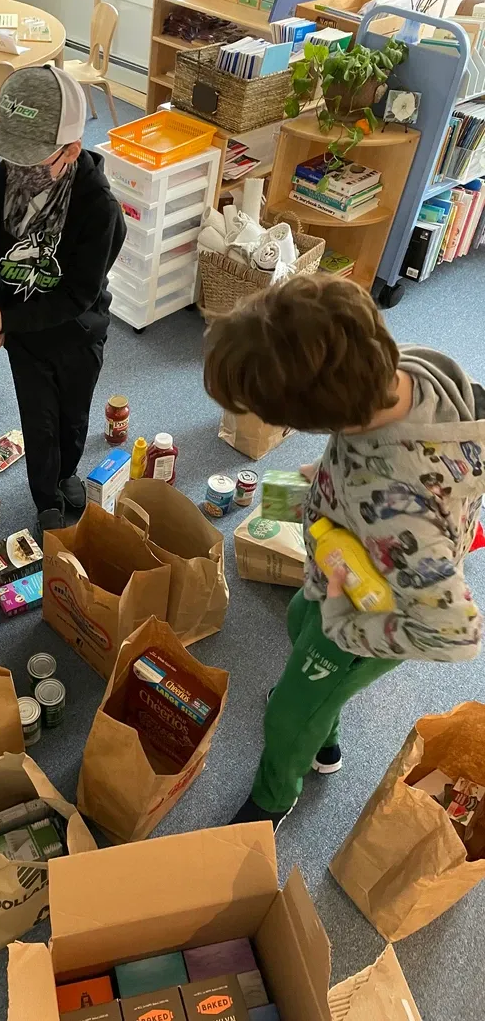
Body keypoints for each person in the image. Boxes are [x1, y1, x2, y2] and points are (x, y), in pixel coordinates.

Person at [203, 273, 485, 830]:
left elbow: (454, 633)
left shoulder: (395, 509)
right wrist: (332, 471)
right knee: (297, 618)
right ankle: (322, 731)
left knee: (288, 716)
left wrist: (348, 629)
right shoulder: (407, 369)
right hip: (348, 569)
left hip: (368, 612)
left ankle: (273, 798)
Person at [0, 66, 126, 538]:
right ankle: (45, 497)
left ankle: (67, 474)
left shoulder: (98, 208)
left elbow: (79, 294)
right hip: (25, 338)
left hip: (78, 333)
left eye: (31, 159)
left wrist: (4, 317)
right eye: (11, 155)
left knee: (73, 415)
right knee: (39, 420)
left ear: (71, 150)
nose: (18, 169)